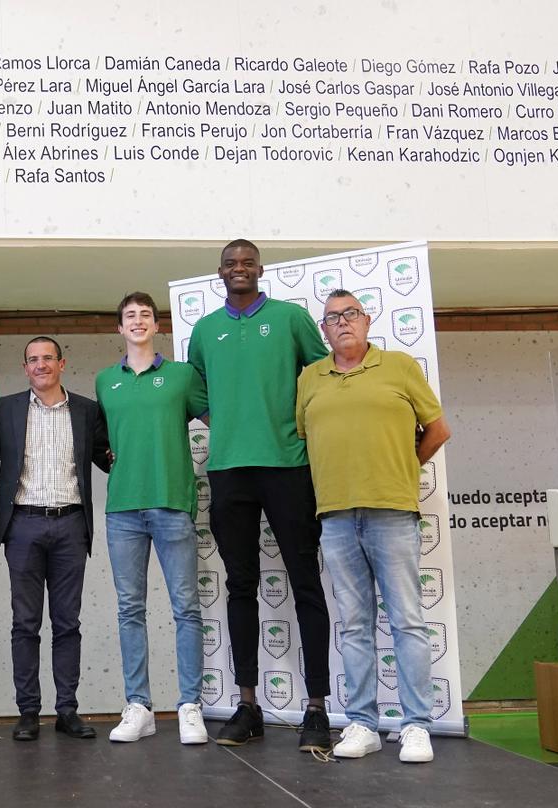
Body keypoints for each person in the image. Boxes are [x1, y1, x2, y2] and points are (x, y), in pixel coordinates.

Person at [186, 239, 333, 751]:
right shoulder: (205, 331)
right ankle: (248, 705)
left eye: (248, 262)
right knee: (240, 586)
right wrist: (226, 425)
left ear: (260, 269)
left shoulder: (291, 318)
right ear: (220, 272)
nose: (239, 269)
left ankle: (317, 708)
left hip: (289, 466)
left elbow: (321, 377)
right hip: (228, 471)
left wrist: (298, 426)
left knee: (306, 583)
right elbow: (197, 391)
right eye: (231, 263)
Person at [296, 290, 450, 764]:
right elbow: (307, 436)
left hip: (392, 512)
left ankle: (416, 725)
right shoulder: (309, 378)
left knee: (407, 620)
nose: (342, 323)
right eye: (332, 319)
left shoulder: (400, 366)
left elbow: (438, 430)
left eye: (351, 315)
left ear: (366, 320)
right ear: (323, 331)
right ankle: (362, 723)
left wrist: (403, 468)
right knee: (356, 625)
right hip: (336, 516)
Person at [95, 292, 211, 745]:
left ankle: (189, 706)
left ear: (157, 325)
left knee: (185, 607)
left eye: (146, 315)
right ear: (119, 328)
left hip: (172, 505)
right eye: (129, 316)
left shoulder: (182, 376)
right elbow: (101, 440)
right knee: (130, 610)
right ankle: (139, 707)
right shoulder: (107, 380)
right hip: (122, 509)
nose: (138, 321)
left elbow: (220, 417)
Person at [0, 336, 110, 741]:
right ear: (25, 368)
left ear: (62, 363)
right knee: (25, 623)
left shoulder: (88, 411)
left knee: (67, 623)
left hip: (71, 525)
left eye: (47, 358)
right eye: (32, 360)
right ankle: (27, 713)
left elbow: (110, 457)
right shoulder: (4, 410)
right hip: (22, 526)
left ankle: (67, 711)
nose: (40, 365)